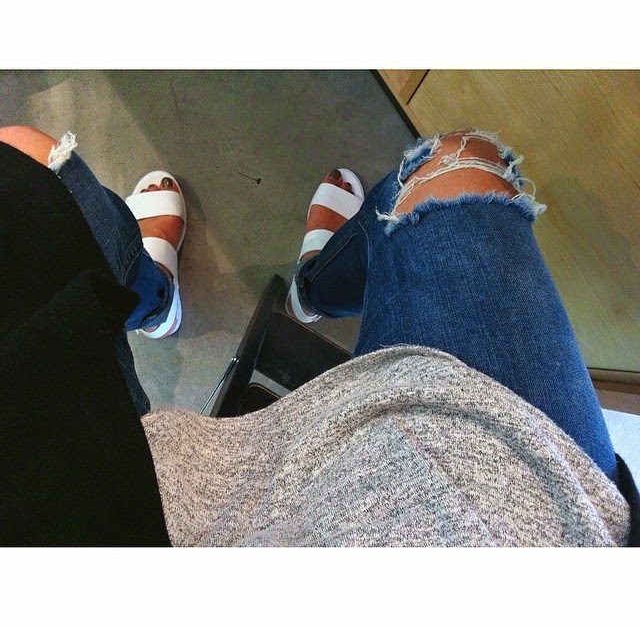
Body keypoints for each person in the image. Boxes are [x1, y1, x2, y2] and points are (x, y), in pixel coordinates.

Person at [0, 125, 637, 547]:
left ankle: (154, 297)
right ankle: (313, 288)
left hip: (102, 498)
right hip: (517, 490)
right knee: (459, 168)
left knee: (25, 162)